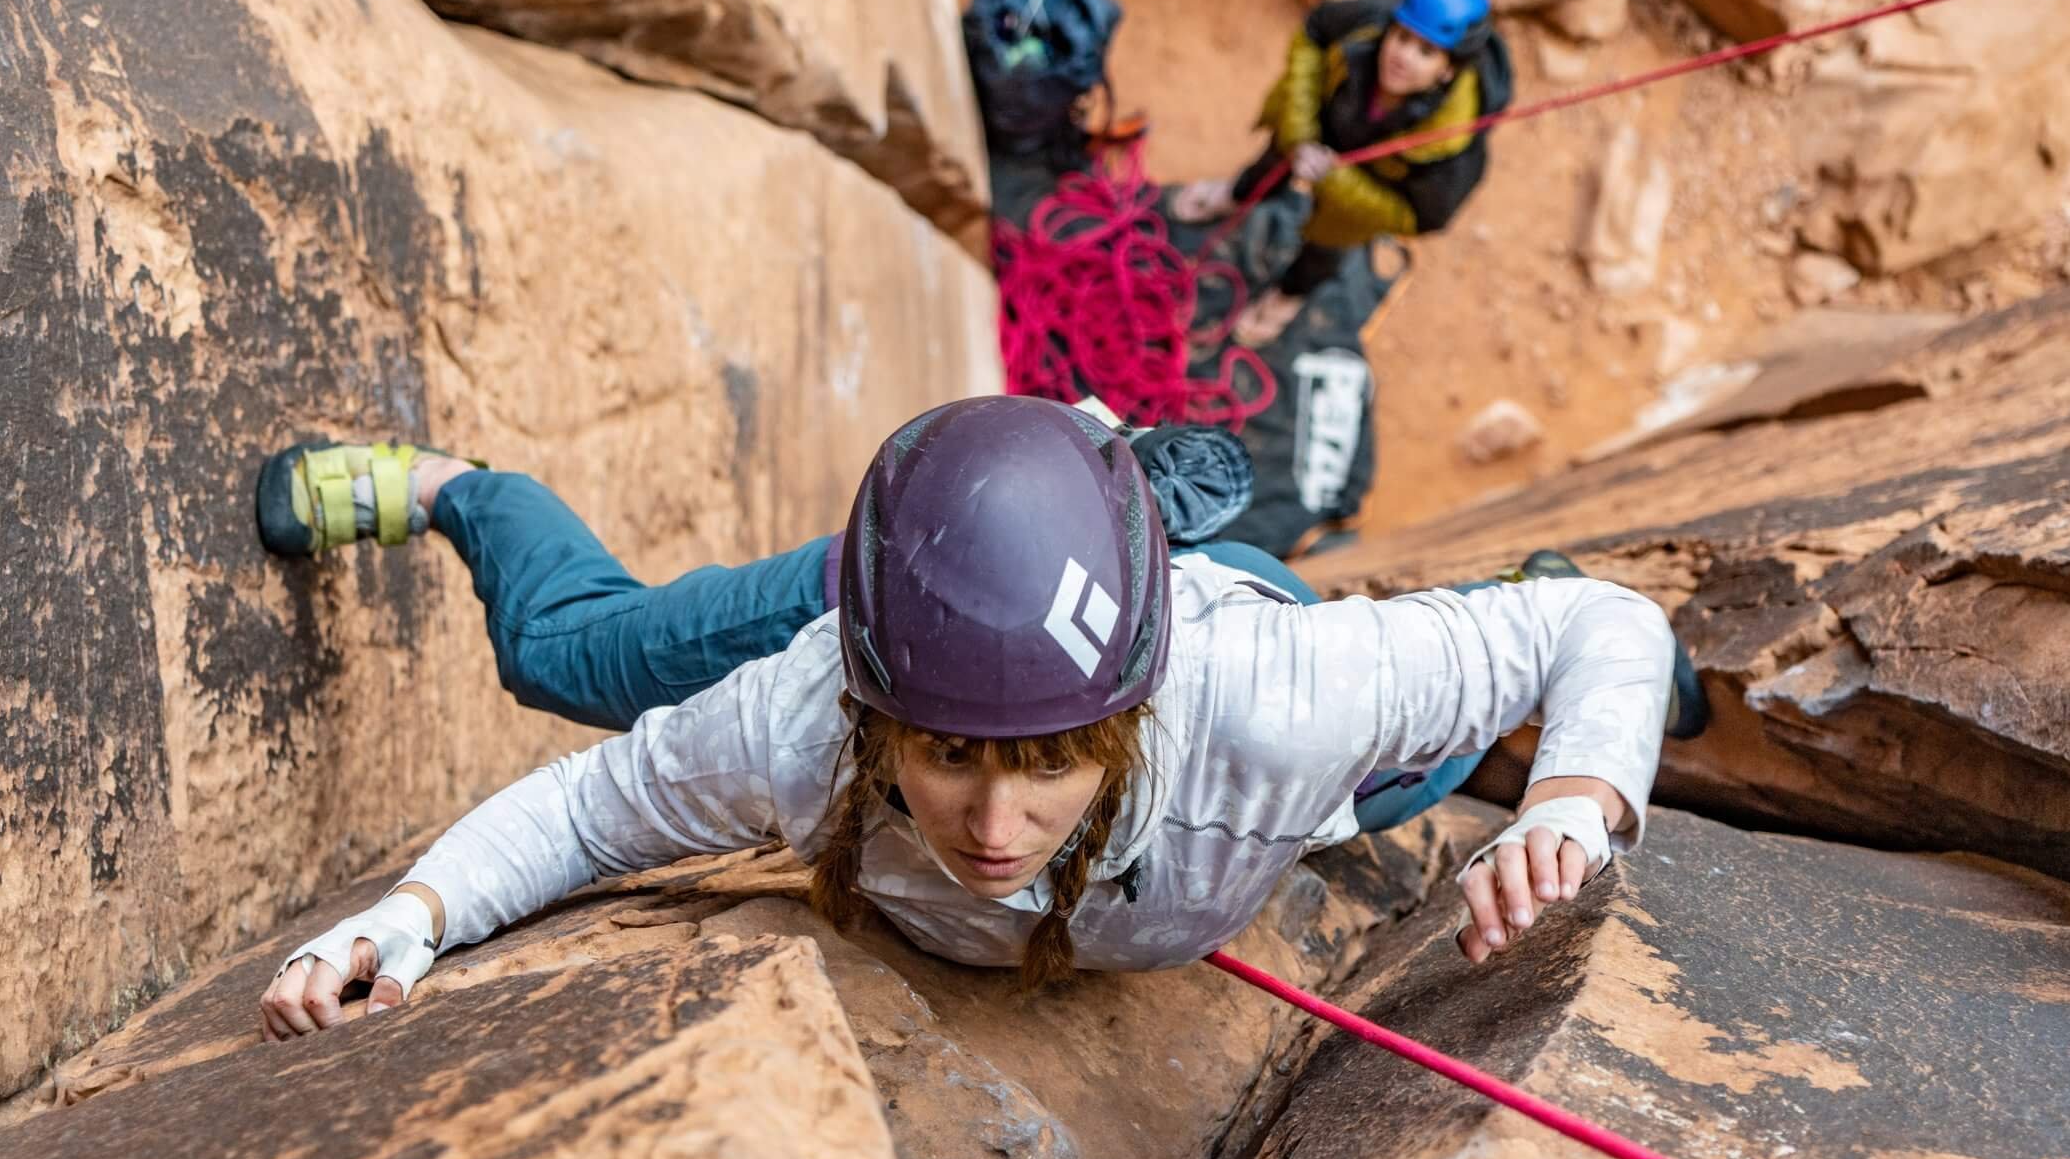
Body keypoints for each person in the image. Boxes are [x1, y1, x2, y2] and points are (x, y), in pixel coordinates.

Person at [254, 398, 1685, 1039]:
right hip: (910, 590)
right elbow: (580, 808)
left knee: (1403, 774)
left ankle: (1478, 597)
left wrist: (1570, 795)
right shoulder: (810, 707)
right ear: (880, 722)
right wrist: (409, 918)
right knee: (581, 653)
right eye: (949, 764)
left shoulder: (1279, 699)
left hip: (1178, 608)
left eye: (1048, 769)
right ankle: (460, 485)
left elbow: (1603, 626)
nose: (995, 832)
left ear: (1118, 723)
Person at [1173, 0, 1515, 345]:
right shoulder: (1370, 20)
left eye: (1426, 52)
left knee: (1325, 247)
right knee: (1269, 165)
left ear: (1447, 70)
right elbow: (1312, 32)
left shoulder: (1453, 150)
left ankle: (1288, 296)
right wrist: (1301, 136)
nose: (1402, 56)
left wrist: (1334, 181)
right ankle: (1236, 196)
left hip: (1360, 194)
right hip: (1316, 126)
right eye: (1402, 38)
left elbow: (1419, 217)